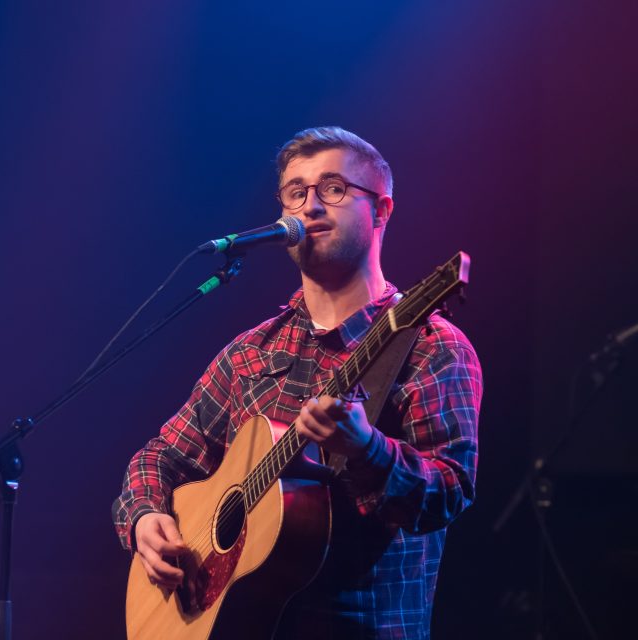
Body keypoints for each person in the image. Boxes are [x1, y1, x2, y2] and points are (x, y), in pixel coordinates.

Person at [113, 126, 483, 639]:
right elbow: (161, 457)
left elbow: (450, 492)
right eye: (295, 192)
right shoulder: (250, 352)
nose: (310, 206)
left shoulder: (430, 346)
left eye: (333, 188)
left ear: (381, 211)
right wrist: (145, 518)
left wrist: (368, 450)